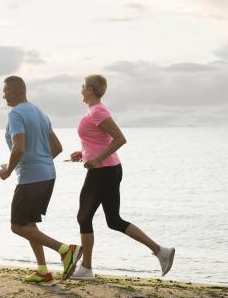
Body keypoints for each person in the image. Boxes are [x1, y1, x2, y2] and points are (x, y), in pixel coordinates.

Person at [69, 74, 175, 280]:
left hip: (103, 171)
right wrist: (84, 154)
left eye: (82, 86)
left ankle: (86, 269)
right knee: (113, 220)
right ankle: (161, 251)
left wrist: (97, 159)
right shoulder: (94, 111)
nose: (80, 90)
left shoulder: (98, 111)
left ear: (90, 90)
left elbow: (120, 139)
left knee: (84, 217)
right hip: (108, 170)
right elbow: (102, 140)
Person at [0, 75, 82, 284]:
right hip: (48, 175)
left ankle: (65, 250)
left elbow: (19, 147)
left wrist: (8, 171)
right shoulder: (40, 113)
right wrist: (41, 162)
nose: (3, 95)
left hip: (31, 178)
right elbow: (57, 148)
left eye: (6, 91)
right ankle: (43, 271)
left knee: (17, 226)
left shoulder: (15, 114)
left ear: (16, 91)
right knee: (30, 225)